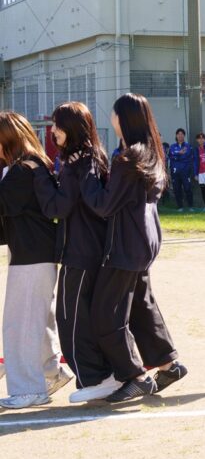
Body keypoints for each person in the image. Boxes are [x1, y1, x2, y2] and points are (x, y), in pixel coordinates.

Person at [79, 93, 188, 402]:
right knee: (141, 305)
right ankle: (168, 365)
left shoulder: (128, 159)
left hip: (126, 245)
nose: (111, 117)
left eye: (114, 113)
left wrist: (86, 174)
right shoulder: (149, 153)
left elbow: (103, 204)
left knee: (105, 312)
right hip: (144, 240)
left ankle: (135, 376)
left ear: (122, 119)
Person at [34, 102, 120, 402]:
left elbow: (58, 206)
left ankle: (97, 378)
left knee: (72, 317)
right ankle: (101, 376)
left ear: (71, 128)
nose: (53, 130)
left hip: (81, 251)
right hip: (86, 249)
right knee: (79, 315)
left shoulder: (79, 161)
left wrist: (41, 176)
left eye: (58, 125)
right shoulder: (88, 157)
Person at [0, 111, 72, 409]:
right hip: (33, 253)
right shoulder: (28, 165)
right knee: (35, 320)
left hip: (32, 255)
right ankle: (51, 373)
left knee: (20, 325)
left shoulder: (22, 170)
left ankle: (29, 389)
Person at [167, 128, 194, 212]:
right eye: (178, 134)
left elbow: (187, 157)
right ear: (176, 135)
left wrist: (176, 156)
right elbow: (171, 156)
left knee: (187, 189)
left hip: (185, 171)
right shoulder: (172, 146)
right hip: (175, 172)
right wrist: (179, 154)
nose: (180, 135)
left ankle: (190, 206)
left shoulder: (188, 146)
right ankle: (180, 207)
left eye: (182, 134)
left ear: (184, 136)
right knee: (177, 189)